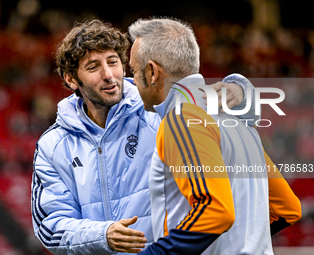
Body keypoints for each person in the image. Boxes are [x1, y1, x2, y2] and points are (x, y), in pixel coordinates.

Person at [32, 19, 262, 255]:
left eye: (113, 62)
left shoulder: (159, 112)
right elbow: (49, 225)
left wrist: (241, 89)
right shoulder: (52, 147)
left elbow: (234, 114)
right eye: (93, 67)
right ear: (71, 79)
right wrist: (103, 235)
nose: (109, 75)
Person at [128, 18, 302, 255]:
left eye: (135, 72)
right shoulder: (240, 122)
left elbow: (215, 210)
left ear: (152, 72)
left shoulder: (181, 118)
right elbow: (288, 208)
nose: (133, 81)